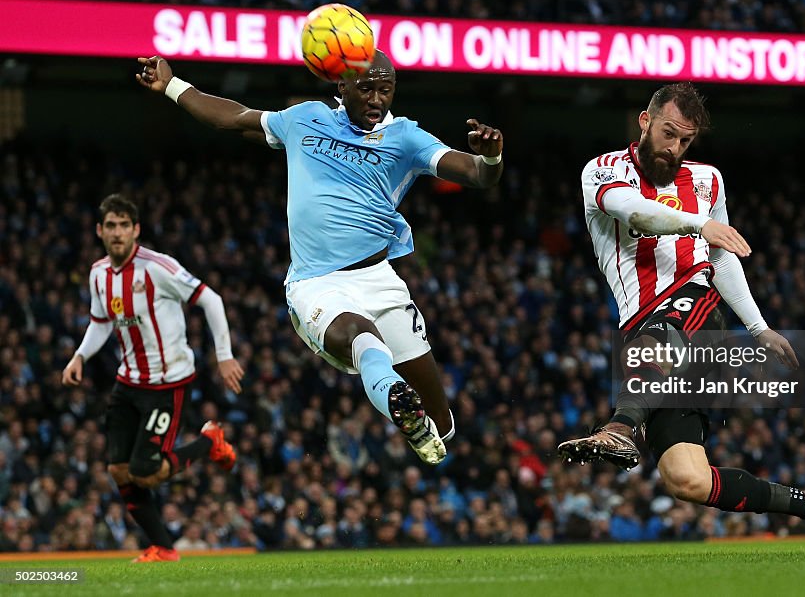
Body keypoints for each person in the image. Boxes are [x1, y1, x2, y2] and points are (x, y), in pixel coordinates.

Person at [134, 50, 504, 465]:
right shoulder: (304, 118)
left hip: (379, 279)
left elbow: (475, 174)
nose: (377, 99)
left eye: (386, 89)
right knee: (361, 337)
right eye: (366, 88)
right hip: (316, 283)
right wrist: (171, 85)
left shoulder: (406, 137)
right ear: (341, 86)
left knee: (442, 423)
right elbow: (232, 118)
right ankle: (397, 398)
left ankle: (420, 422)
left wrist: (490, 155)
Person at [557, 83, 805, 553]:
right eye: (668, 134)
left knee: (670, 324)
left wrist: (758, 327)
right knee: (687, 480)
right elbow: (636, 212)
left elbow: (718, 259)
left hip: (695, 308)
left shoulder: (707, 180)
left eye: (685, 141)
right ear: (645, 121)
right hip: (645, 339)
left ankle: (620, 429)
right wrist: (701, 226)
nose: (674, 148)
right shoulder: (603, 171)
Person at [62, 194, 245, 562]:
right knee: (118, 469)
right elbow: (101, 323)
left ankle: (209, 442)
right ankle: (163, 548)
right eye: (110, 226)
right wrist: (79, 355)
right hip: (127, 382)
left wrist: (223, 356)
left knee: (145, 472)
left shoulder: (157, 267)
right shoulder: (99, 273)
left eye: (124, 225)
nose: (117, 233)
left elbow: (211, 300)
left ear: (136, 230)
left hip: (168, 383)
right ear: (100, 231)